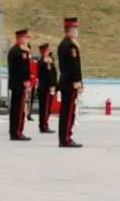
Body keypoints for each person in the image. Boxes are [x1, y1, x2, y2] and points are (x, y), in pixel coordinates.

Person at [57, 17, 83, 148]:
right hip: (70, 83)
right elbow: (74, 66)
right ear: (70, 29)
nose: (77, 30)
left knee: (65, 110)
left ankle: (64, 137)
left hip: (65, 82)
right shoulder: (70, 45)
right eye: (75, 28)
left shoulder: (63, 43)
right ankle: (66, 138)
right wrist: (78, 82)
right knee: (68, 112)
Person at [8, 29, 32, 141]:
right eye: (26, 37)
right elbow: (23, 68)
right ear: (20, 38)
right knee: (18, 109)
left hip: (15, 83)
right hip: (20, 83)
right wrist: (26, 81)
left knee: (16, 109)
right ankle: (17, 132)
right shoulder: (20, 51)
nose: (27, 40)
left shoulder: (14, 50)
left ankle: (15, 131)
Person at [36, 43, 57, 133]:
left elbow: (54, 73)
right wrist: (52, 85)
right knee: (45, 108)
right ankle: (43, 126)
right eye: (47, 50)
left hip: (46, 87)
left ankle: (44, 124)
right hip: (46, 88)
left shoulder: (47, 60)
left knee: (47, 108)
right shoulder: (43, 61)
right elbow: (49, 75)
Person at [27, 51, 38, 121]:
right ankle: (27, 113)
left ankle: (29, 113)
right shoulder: (27, 63)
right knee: (27, 100)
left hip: (32, 84)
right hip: (27, 84)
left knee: (30, 100)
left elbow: (36, 74)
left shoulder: (34, 63)